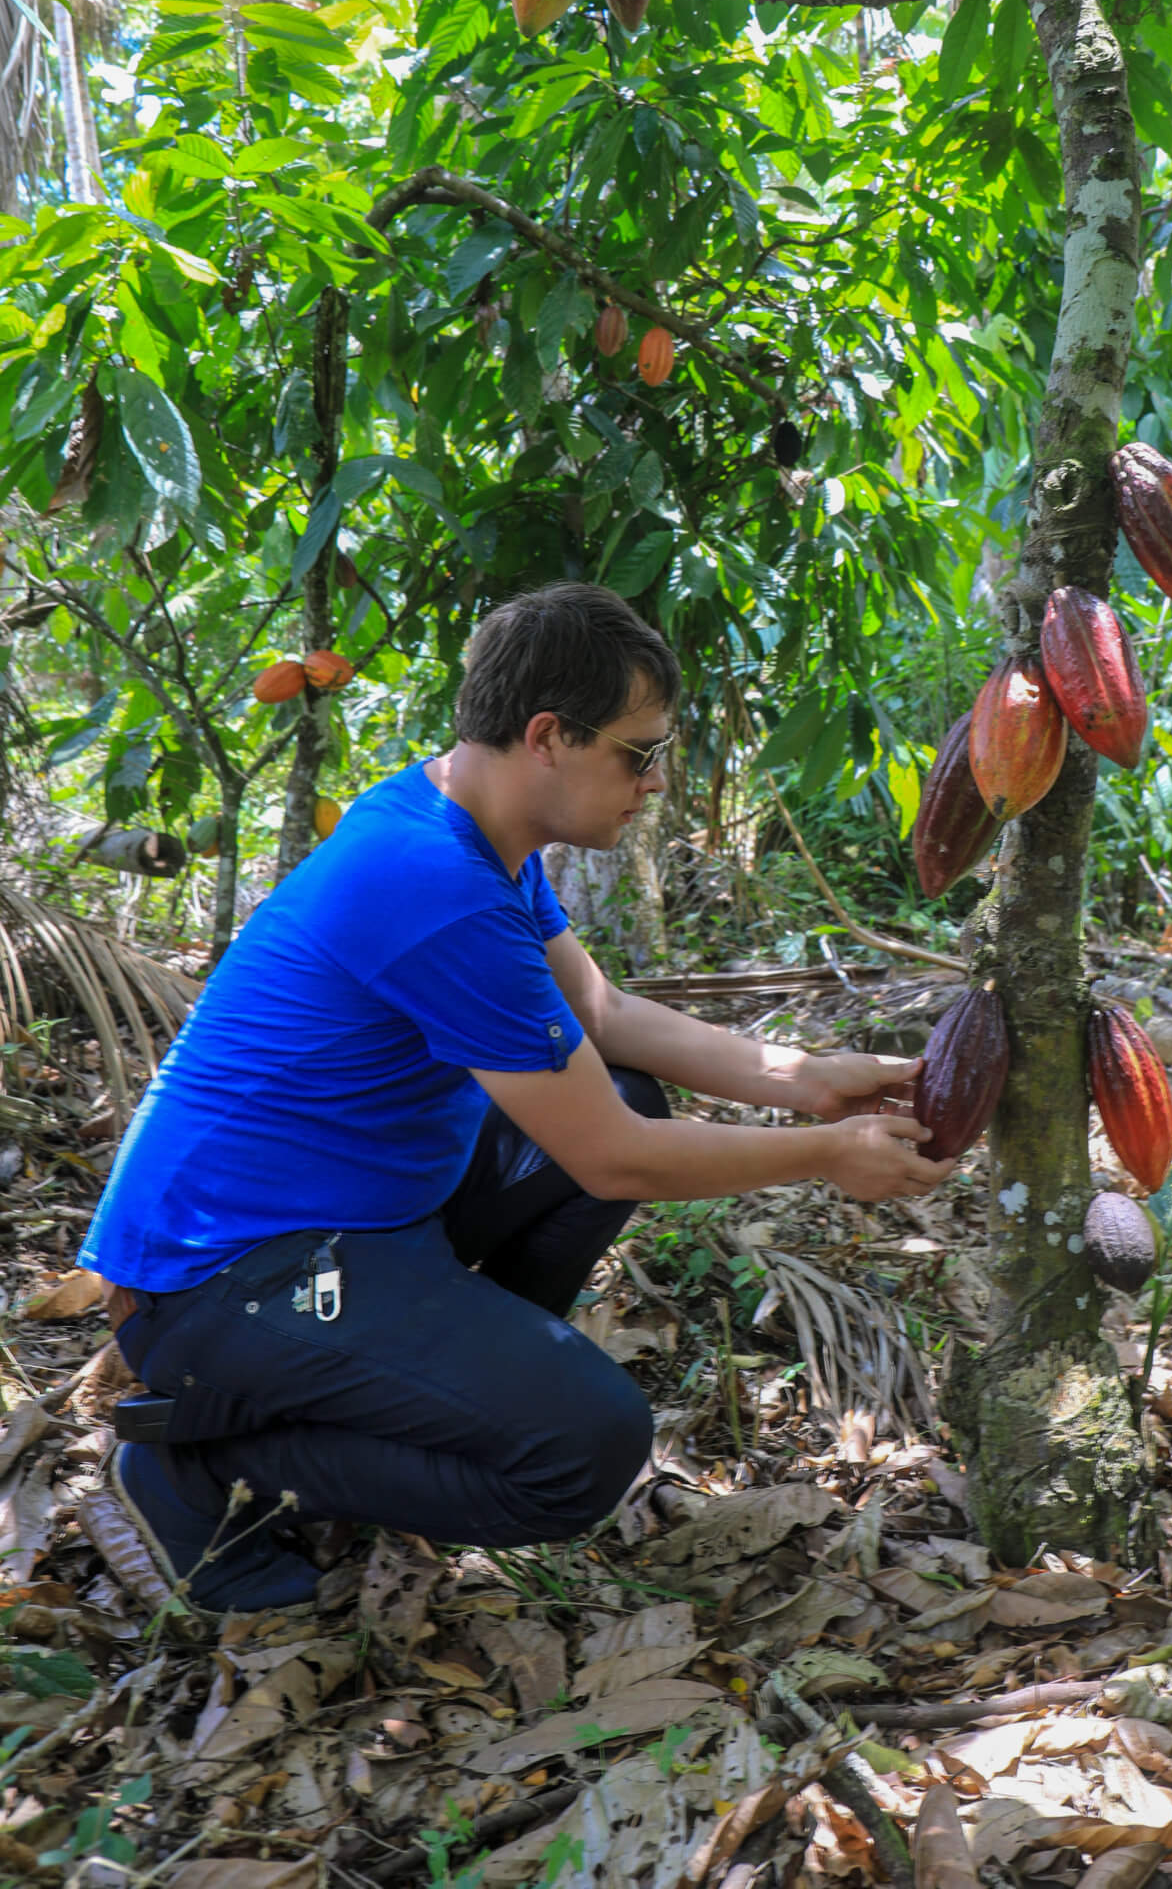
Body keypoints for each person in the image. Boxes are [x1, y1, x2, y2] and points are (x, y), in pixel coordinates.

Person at [81, 583, 950, 1610]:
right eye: (639, 753)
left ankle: (414, 1408)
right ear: (548, 735)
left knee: (623, 1086)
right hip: (222, 1279)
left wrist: (808, 1082)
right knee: (585, 1451)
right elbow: (611, 1156)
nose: (654, 783)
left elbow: (606, 1013)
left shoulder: (471, 826)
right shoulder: (431, 878)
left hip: (347, 1218)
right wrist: (828, 1155)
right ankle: (200, 1470)